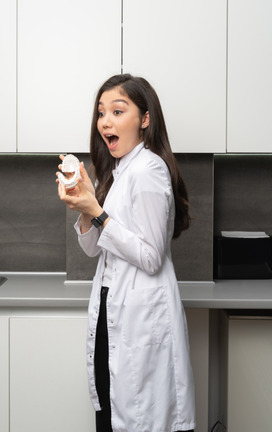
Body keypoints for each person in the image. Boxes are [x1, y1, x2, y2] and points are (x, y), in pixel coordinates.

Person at [57, 74, 196, 432]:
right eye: (101, 112)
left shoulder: (148, 170)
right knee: (111, 407)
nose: (105, 121)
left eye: (118, 111)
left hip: (139, 313)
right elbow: (93, 249)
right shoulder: (118, 172)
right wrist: (85, 206)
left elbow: (150, 257)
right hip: (111, 306)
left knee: (137, 415)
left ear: (145, 120)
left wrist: (98, 212)